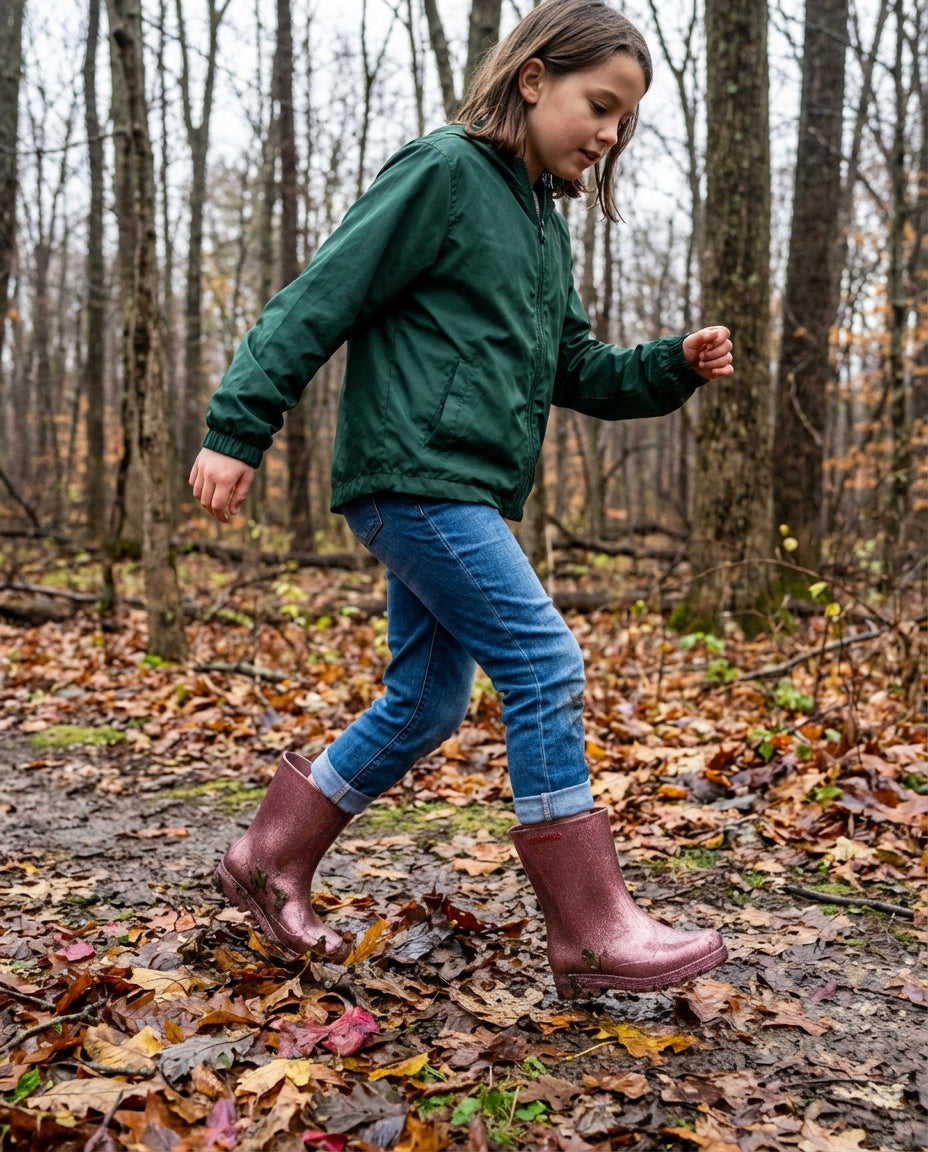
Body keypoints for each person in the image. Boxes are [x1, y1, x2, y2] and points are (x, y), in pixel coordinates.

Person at [190, 0, 732, 1000]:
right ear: (533, 79)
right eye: (597, 106)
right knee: (540, 657)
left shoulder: (539, 224)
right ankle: (590, 931)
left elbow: (571, 365)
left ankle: (267, 862)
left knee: (426, 701)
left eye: (623, 122)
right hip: (416, 476)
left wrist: (669, 367)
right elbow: (323, 293)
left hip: (460, 486)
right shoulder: (442, 172)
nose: (608, 135)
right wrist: (238, 428)